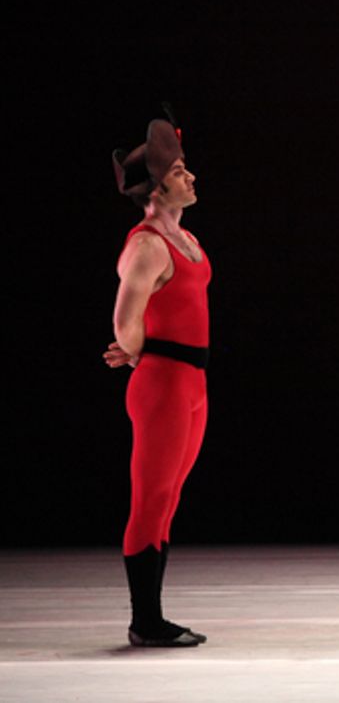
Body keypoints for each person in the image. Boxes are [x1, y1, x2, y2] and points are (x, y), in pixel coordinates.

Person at [104, 113, 210, 647]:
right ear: (159, 183)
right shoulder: (146, 244)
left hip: (192, 382)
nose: (191, 177)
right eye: (181, 170)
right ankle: (145, 620)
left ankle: (154, 616)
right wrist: (136, 351)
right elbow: (125, 320)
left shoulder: (185, 239)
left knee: (168, 497)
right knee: (150, 498)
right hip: (164, 383)